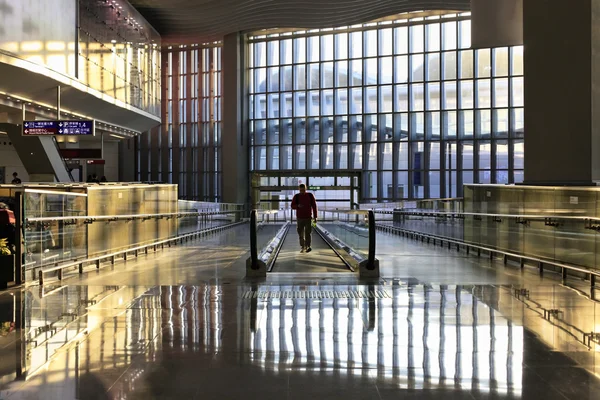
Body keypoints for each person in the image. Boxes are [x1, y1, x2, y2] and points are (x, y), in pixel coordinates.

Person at [291, 184, 318, 253]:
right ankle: (303, 246)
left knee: (308, 233)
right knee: (300, 233)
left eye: (303, 190)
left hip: (308, 217)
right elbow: (292, 206)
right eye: (301, 190)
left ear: (306, 189)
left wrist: (315, 217)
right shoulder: (296, 196)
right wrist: (297, 206)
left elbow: (314, 206)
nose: (302, 192)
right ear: (299, 189)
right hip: (300, 218)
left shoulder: (310, 195)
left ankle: (308, 246)